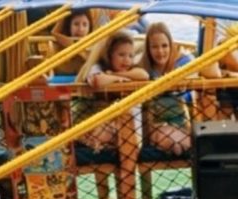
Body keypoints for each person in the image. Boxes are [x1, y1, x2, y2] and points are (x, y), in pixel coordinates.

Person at [75, 32, 148, 152]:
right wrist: (115, 79)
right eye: (121, 55)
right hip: (95, 125)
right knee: (118, 125)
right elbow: (97, 80)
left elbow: (144, 75)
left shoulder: (130, 69)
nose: (127, 60)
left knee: (124, 123)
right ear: (109, 55)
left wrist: (115, 75)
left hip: (123, 130)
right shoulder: (97, 67)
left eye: (130, 56)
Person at [138, 22, 192, 156]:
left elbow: (201, 70)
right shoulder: (143, 69)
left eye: (164, 46)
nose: (160, 51)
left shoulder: (183, 64)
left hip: (181, 124)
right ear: (148, 49)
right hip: (156, 127)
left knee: (183, 144)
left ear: (171, 46)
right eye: (154, 47)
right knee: (173, 142)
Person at [51, 8, 96, 76]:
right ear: (69, 26)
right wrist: (68, 9)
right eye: (76, 24)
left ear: (90, 27)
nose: (81, 29)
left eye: (85, 24)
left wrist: (75, 47)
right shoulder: (65, 42)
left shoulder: (94, 44)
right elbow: (54, 33)